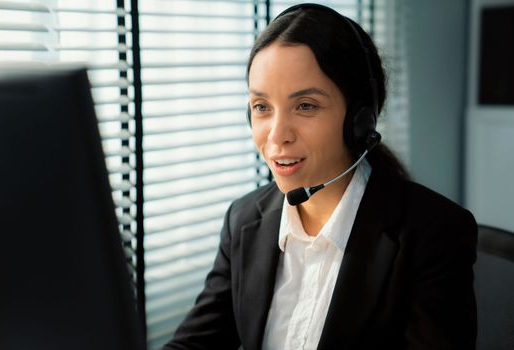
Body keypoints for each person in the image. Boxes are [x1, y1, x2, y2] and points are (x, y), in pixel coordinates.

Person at [163, 3, 477, 350]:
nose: (277, 135)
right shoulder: (244, 222)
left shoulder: (433, 234)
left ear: (360, 120)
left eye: (306, 105)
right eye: (262, 107)